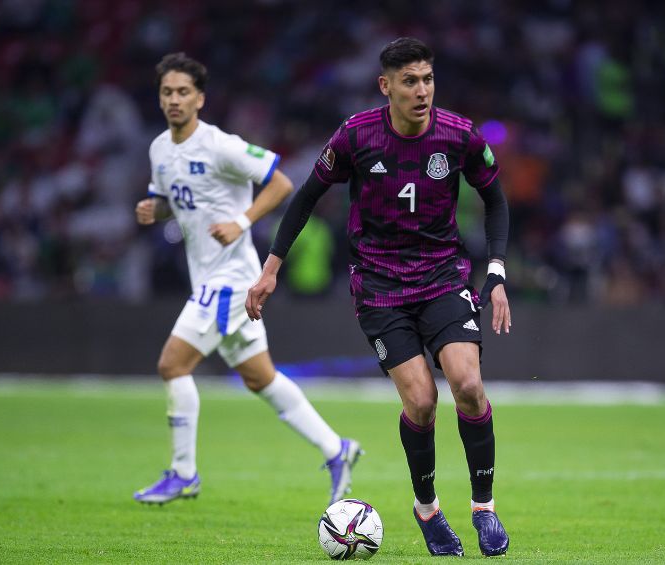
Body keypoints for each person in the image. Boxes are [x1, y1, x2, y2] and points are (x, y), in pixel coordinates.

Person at [246, 38, 511, 557]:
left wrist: (496, 272)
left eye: (428, 79)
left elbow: (495, 199)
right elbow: (305, 198)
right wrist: (271, 268)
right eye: (410, 81)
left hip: (441, 278)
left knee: (469, 385)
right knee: (421, 399)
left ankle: (484, 508)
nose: (422, 91)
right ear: (385, 86)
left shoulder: (458, 135)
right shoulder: (356, 136)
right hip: (381, 288)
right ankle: (428, 509)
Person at [133, 53, 361, 506]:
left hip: (231, 281)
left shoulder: (220, 145)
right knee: (261, 378)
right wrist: (153, 209)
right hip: (207, 279)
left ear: (200, 98)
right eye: (167, 92)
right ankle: (337, 449)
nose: (175, 99)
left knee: (172, 366)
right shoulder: (160, 149)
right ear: (160, 99)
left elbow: (278, 184)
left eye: (183, 92)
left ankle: (183, 473)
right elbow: (174, 201)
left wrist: (241, 220)